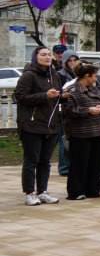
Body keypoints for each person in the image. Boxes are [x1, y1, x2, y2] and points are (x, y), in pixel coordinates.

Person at [15, 46, 63, 206]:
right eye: (43, 55)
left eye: (49, 54)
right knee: (31, 160)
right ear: (35, 57)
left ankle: (43, 191)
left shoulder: (54, 74)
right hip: (32, 124)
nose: (47, 57)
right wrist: (44, 95)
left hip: (50, 125)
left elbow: (57, 95)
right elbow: (20, 97)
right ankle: (29, 193)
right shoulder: (28, 75)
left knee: (45, 161)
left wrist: (63, 96)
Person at [63, 62, 100, 201]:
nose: (96, 78)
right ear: (87, 76)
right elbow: (68, 111)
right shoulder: (71, 91)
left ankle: (92, 189)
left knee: (96, 163)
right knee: (79, 163)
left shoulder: (97, 89)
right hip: (81, 133)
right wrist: (88, 111)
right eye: (94, 75)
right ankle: (76, 191)